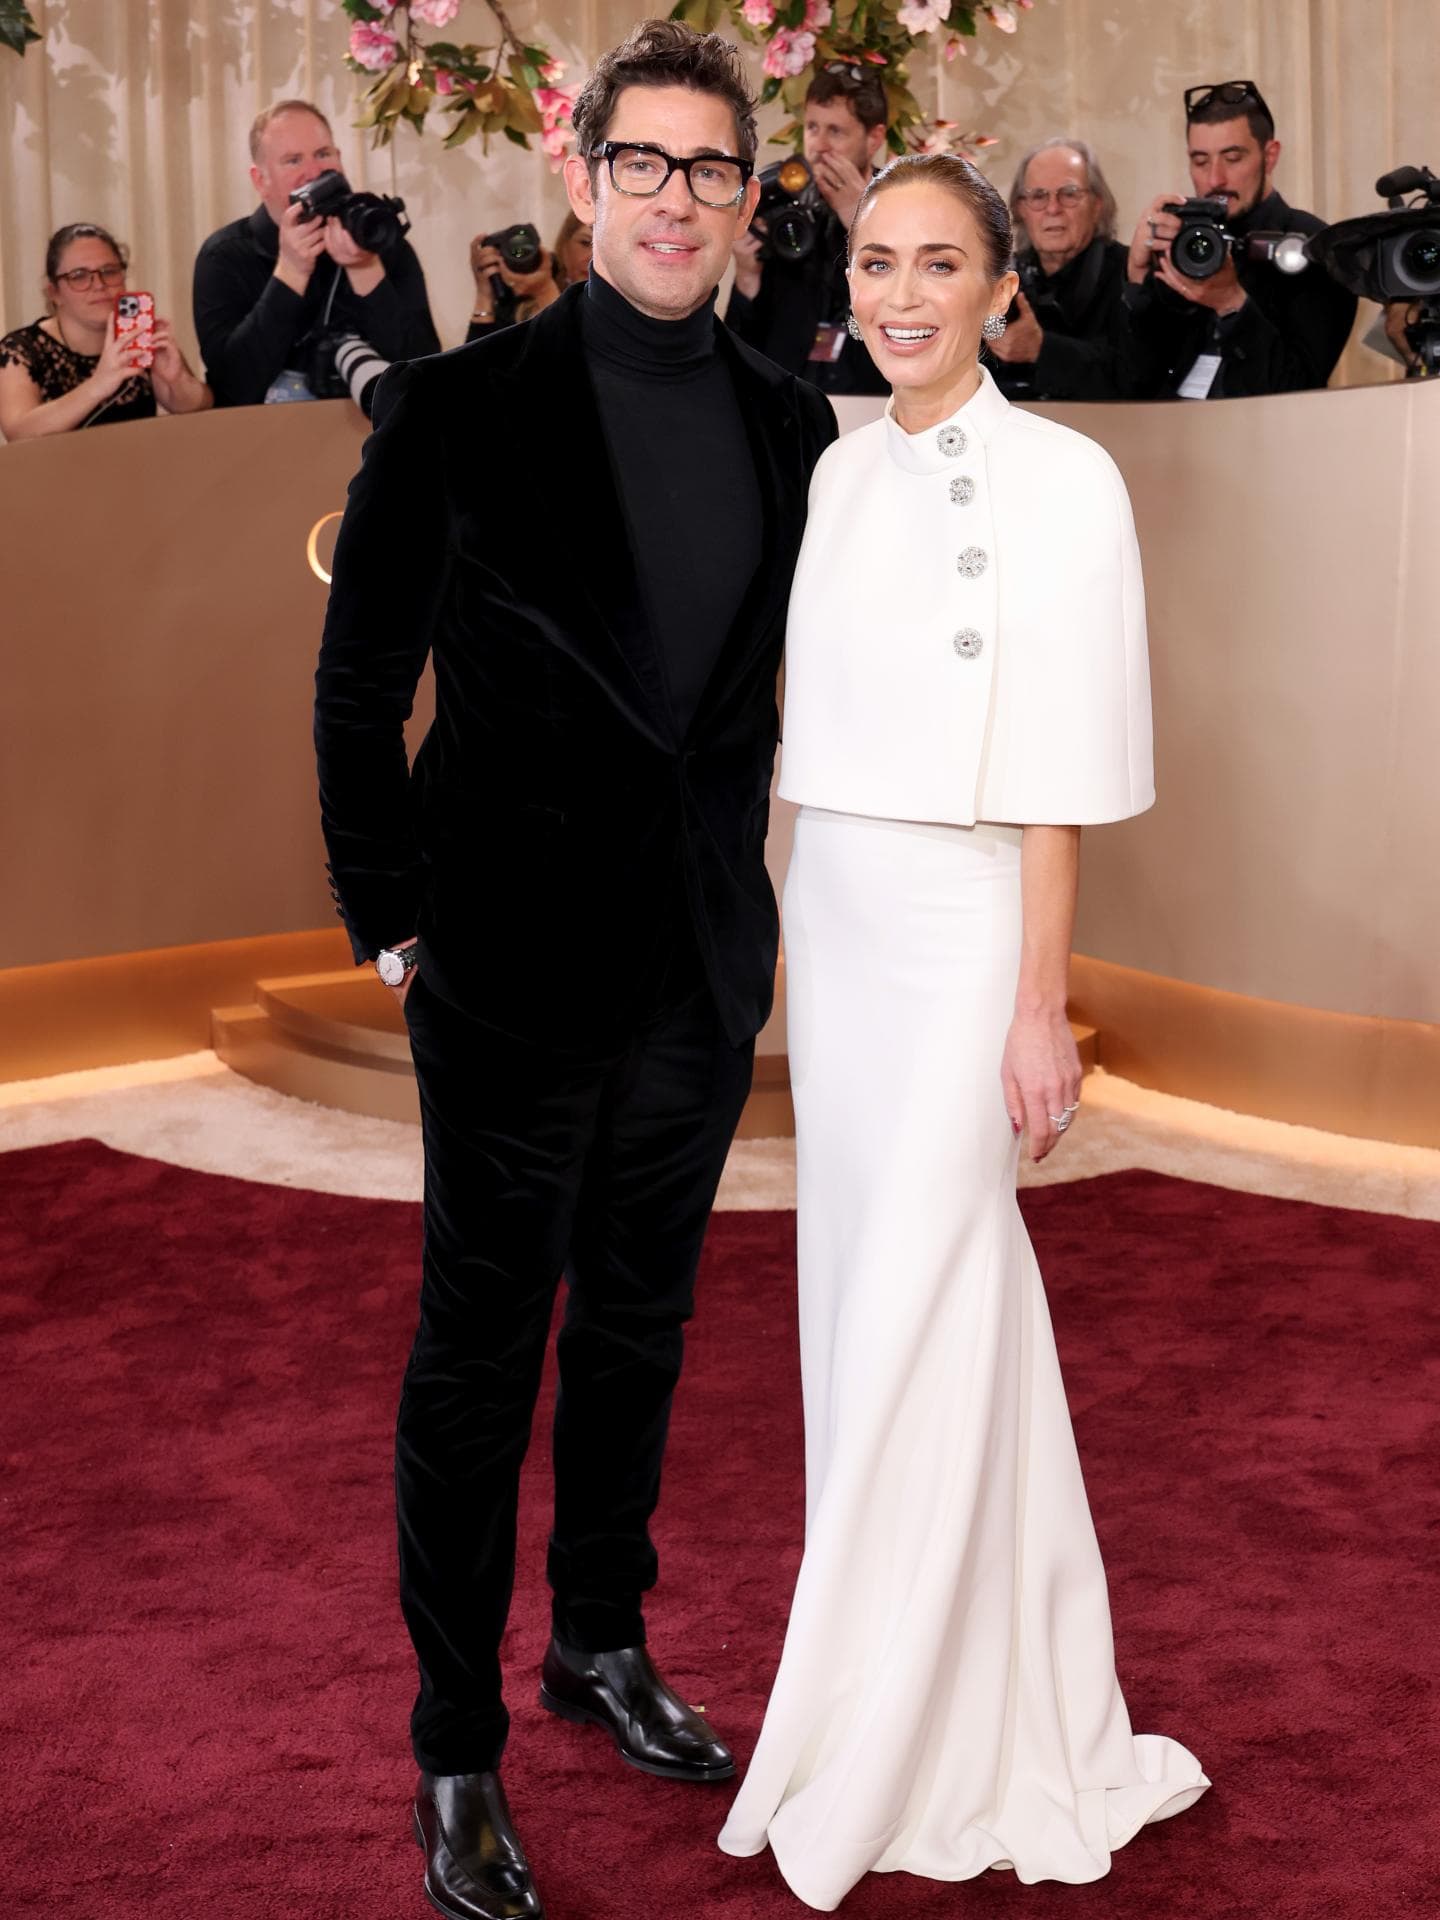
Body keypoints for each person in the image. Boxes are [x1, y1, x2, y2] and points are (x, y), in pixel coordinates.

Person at [314, 21, 836, 1920]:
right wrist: (389, 912)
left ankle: (598, 1641)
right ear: (584, 177)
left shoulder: (794, 421)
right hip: (508, 965)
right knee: (479, 1353)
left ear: (743, 198)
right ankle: (459, 1736)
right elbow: (361, 684)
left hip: (699, 964)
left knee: (642, 1324)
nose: (678, 200)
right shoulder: (453, 410)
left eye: (713, 171)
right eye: (647, 165)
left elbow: (789, 706)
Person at [717, 153, 1210, 1908]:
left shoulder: (1068, 479)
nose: (902, 293)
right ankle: (930, 1693)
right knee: (874, 1299)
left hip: (970, 920)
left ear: (1003, 283)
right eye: (873, 261)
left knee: (936, 1275)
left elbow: (1063, 771)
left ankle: (905, 1725)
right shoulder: (830, 475)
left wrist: (1038, 1009)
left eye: (940, 262)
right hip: (837, 921)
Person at [192, 98, 440, 407]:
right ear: (261, 180)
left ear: (339, 159)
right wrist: (290, 272)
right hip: (262, 445)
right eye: (293, 160)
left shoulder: (382, 240)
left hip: (375, 445)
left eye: (323, 154)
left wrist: (366, 271)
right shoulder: (224, 257)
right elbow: (233, 388)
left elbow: (430, 377)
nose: (313, 172)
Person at [1121, 79, 1356, 398]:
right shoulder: (1179, 242)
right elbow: (1130, 381)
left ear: (1270, 156)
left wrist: (1231, 303)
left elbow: (1299, 391)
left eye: (1232, 159)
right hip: (1171, 435)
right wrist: (1136, 278)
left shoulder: (1312, 245)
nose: (1215, 179)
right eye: (1200, 161)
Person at [725, 65, 888, 394]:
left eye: (836, 131)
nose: (820, 145)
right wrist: (746, 277)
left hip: (872, 401)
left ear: (874, 139)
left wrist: (860, 223)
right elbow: (738, 353)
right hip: (785, 404)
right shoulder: (776, 198)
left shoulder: (898, 207)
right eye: (812, 127)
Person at [0, 223, 210, 441]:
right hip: (57, 474)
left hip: (136, 468)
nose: (98, 284)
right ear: (54, 293)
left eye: (109, 272)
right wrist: (98, 385)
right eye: (79, 276)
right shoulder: (21, 349)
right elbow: (19, 431)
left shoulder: (138, 337)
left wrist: (178, 380)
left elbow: (198, 408)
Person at [987, 136, 1130, 401]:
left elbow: (1137, 377)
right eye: (1038, 196)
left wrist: (1042, 348)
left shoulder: (1131, 273)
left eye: (1069, 194)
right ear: (1021, 210)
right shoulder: (1002, 278)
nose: (1053, 209)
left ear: (1097, 204)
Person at [464, 211, 593, 339]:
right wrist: (485, 296)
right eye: (586, 243)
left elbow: (572, 354)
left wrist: (544, 292)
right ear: (565, 244)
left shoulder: (610, 306)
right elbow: (474, 359)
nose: (593, 257)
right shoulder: (525, 291)